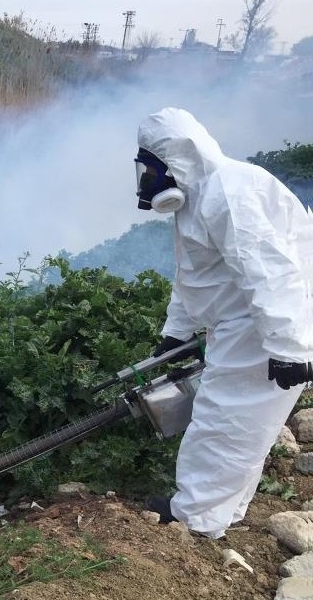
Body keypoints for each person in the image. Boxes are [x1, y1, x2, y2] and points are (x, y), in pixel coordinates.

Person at [134, 107, 313, 539]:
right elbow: (194, 275)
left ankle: (194, 517)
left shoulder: (229, 191)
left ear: (176, 159)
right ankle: (222, 510)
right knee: (249, 426)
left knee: (225, 418)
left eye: (151, 170)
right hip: (249, 322)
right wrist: (175, 331)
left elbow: (270, 270)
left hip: (262, 325)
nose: (147, 181)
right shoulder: (199, 198)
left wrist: (289, 347)